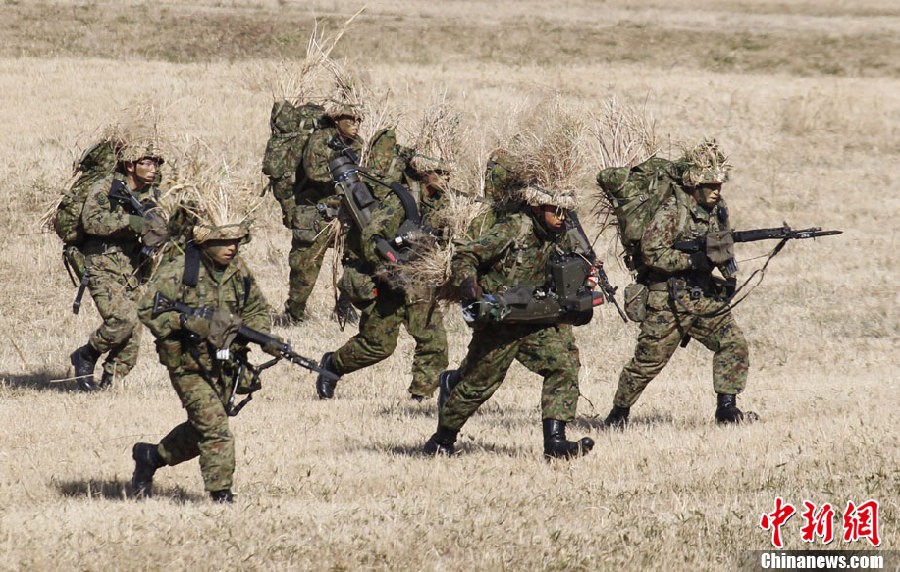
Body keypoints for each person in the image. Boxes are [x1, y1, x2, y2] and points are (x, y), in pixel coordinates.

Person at [423, 185, 595, 460]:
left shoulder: (560, 234)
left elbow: (577, 264)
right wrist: (468, 284)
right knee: (479, 384)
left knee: (564, 365)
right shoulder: (514, 229)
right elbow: (467, 255)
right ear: (539, 207)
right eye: (557, 211)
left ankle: (555, 443)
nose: (563, 217)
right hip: (500, 319)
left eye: (566, 211)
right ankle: (441, 440)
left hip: (536, 317)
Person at [603, 140, 752, 428]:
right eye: (710, 185)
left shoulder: (717, 208)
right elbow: (653, 252)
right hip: (668, 299)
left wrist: (728, 272)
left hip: (703, 295)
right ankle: (618, 415)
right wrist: (689, 262)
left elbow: (720, 242)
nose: (717, 190)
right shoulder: (673, 210)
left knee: (733, 343)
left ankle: (727, 409)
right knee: (647, 363)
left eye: (719, 184)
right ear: (695, 184)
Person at [130, 216, 274, 503]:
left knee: (201, 430)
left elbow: (257, 309)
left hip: (226, 364)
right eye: (223, 242)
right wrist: (184, 321)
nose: (231, 247)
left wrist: (261, 337)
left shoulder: (238, 271)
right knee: (216, 427)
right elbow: (147, 310)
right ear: (205, 243)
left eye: (235, 241)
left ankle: (151, 456)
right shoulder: (181, 271)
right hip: (188, 363)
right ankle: (221, 495)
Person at [313, 139, 449, 401]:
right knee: (378, 345)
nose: (445, 180)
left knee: (433, 338)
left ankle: (421, 396)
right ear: (424, 173)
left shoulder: (443, 204)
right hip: (388, 277)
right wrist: (391, 265)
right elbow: (372, 236)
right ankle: (332, 365)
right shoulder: (402, 200)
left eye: (448, 174)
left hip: (419, 278)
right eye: (439, 173)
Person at [68, 141, 169, 391]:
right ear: (130, 165)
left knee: (135, 326)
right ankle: (86, 355)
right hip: (100, 263)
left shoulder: (152, 193)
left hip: (132, 265)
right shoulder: (106, 187)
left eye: (155, 163)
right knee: (122, 319)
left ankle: (112, 381)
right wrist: (130, 221)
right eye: (146, 162)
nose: (153, 168)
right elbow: (91, 222)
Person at [277, 102, 363, 323]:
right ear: (337, 121)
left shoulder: (358, 144)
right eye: (350, 120)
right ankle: (294, 314)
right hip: (316, 211)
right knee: (305, 267)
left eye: (358, 121)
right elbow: (314, 172)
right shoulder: (320, 140)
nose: (355, 125)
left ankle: (345, 306)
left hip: (347, 212)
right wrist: (344, 175)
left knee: (359, 258)